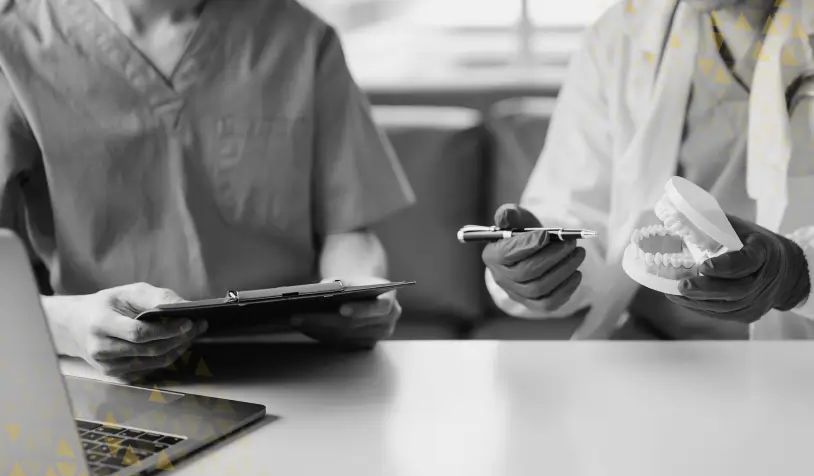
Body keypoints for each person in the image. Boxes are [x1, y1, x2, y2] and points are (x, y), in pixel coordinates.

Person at [0, 0, 415, 379]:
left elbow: (349, 231)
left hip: (294, 366)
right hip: (104, 378)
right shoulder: (12, 44)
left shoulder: (302, 38)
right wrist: (64, 325)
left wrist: (358, 290)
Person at [482, 0, 814, 340]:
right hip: (651, 348)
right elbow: (578, 212)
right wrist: (541, 263)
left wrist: (800, 276)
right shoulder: (620, 35)